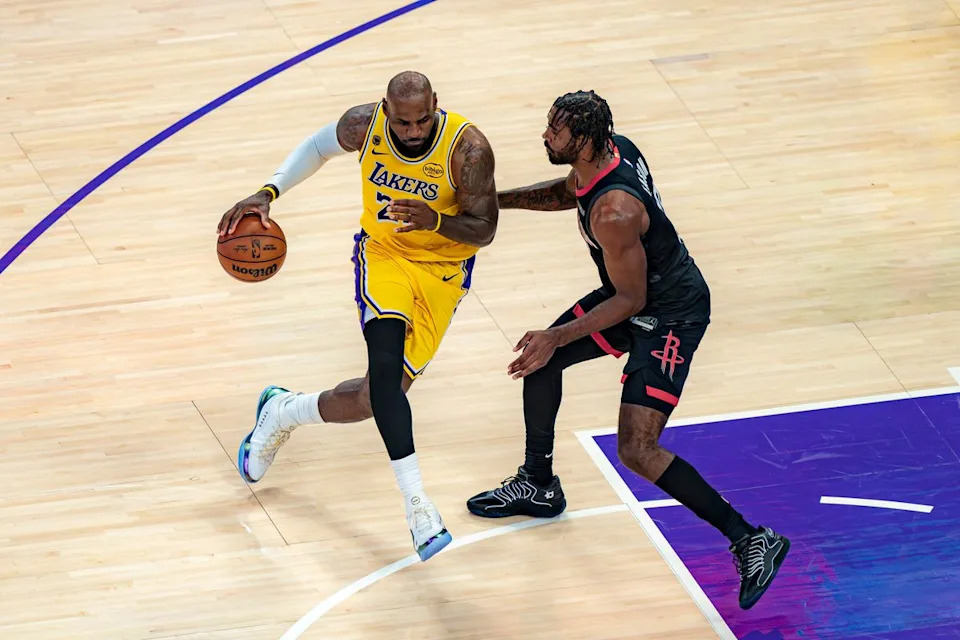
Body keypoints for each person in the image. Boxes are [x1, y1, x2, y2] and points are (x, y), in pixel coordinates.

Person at [465, 90, 788, 609]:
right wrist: (494, 201)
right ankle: (538, 483)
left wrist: (556, 336)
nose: (546, 135)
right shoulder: (612, 153)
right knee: (540, 365)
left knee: (637, 448)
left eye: (556, 130)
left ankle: (751, 537)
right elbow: (568, 191)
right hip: (636, 293)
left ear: (586, 139)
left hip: (669, 312)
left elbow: (632, 298)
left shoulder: (614, 212)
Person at [219, 71, 498, 562]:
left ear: (437, 103)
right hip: (384, 257)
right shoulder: (362, 124)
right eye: (404, 121)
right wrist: (270, 190)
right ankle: (418, 508)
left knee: (376, 398)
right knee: (387, 373)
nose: (413, 131)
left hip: (442, 273)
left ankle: (283, 411)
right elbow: (316, 147)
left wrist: (434, 219)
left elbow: (485, 229)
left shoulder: (467, 149)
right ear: (386, 110)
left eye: (422, 119)